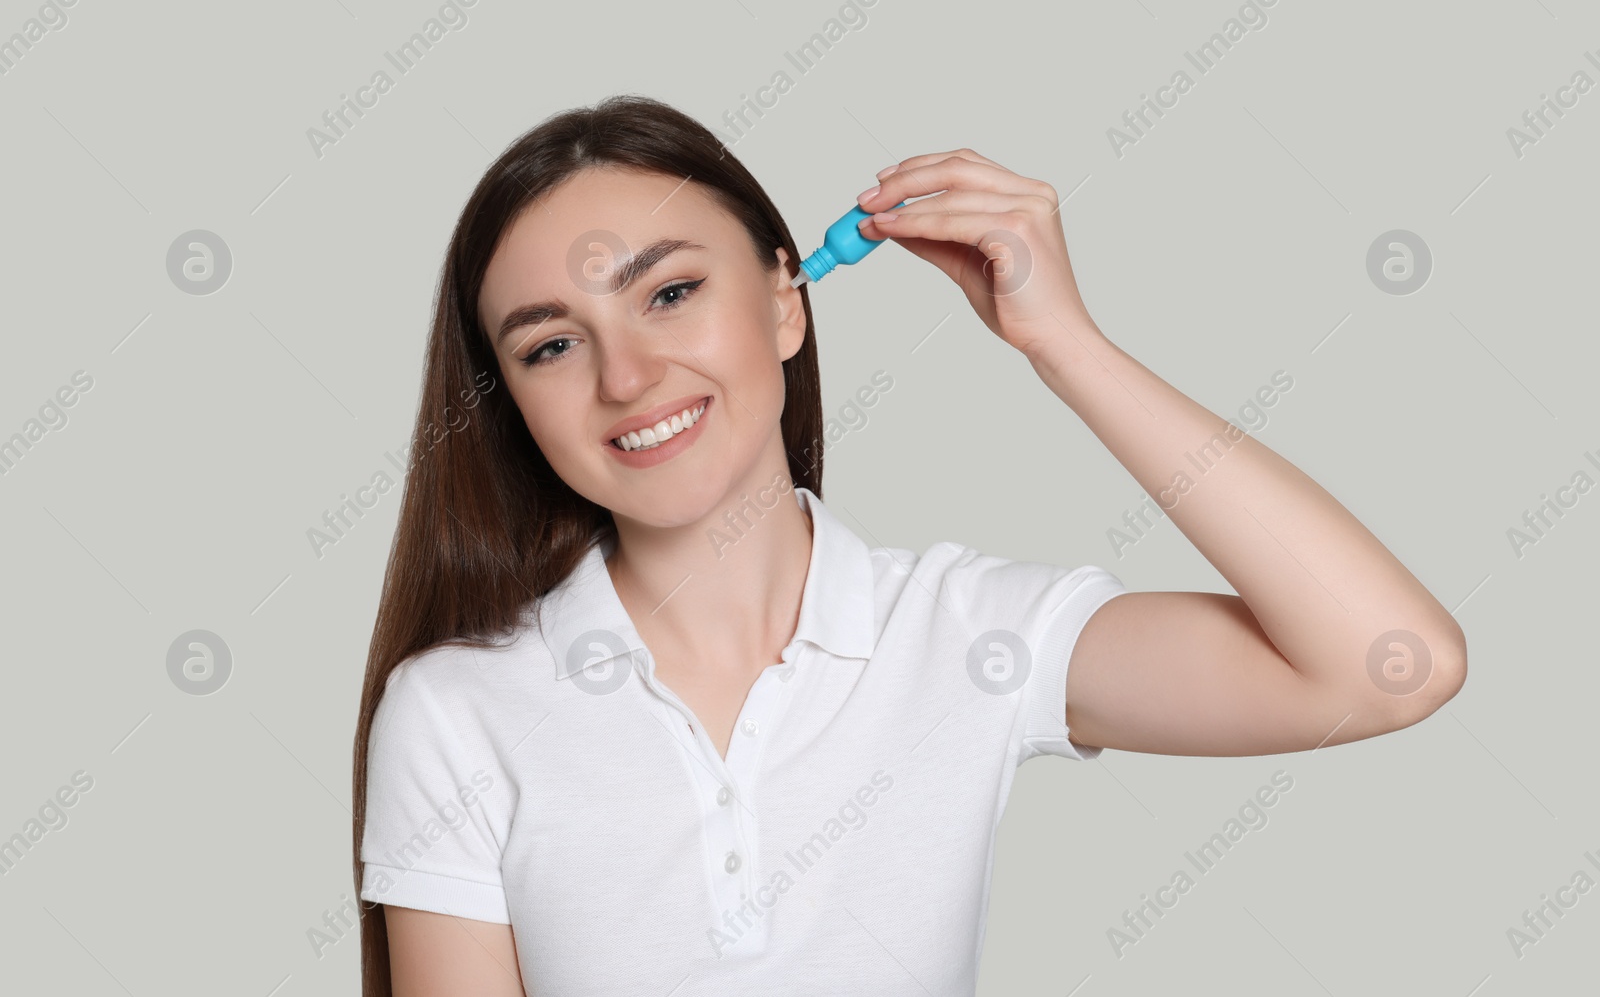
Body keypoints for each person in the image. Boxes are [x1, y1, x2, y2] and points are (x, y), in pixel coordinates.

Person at [351, 94, 1466, 997]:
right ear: (513, 404)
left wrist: (1062, 341)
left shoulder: (970, 637)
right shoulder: (457, 711)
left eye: (673, 292)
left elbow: (1389, 662)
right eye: (551, 344)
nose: (627, 376)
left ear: (787, 302)